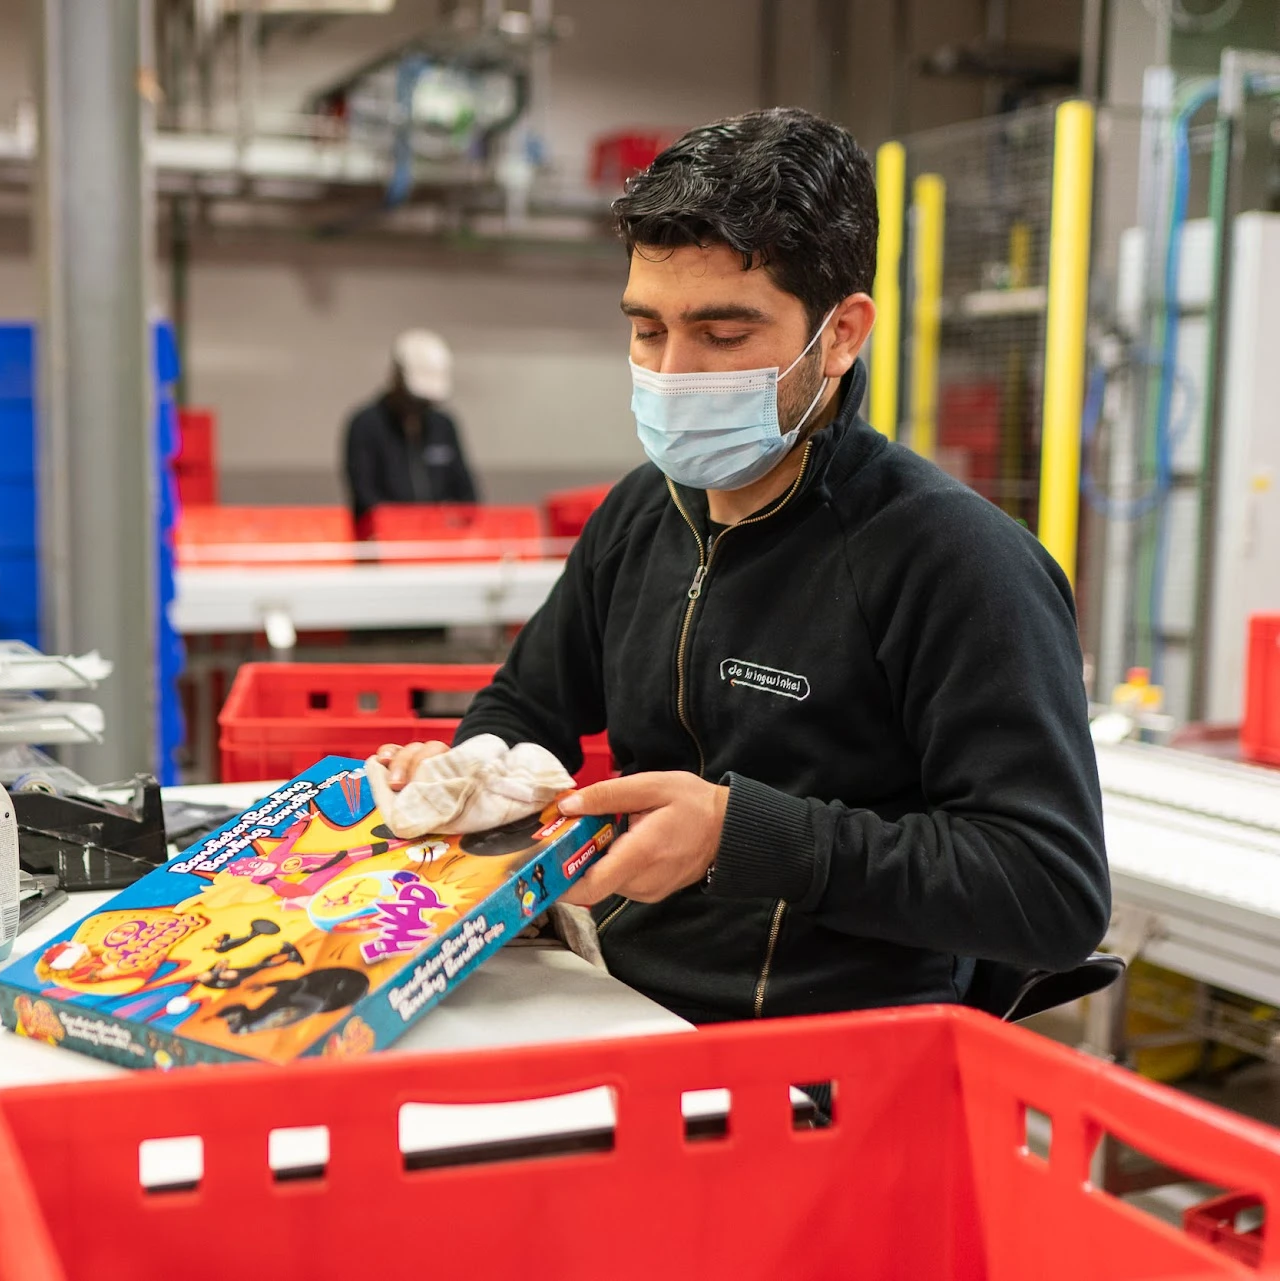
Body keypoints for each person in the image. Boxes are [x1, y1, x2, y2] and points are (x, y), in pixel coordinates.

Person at [377, 108, 1109, 1025]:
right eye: (648, 332)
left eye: (723, 338)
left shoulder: (958, 564)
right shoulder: (643, 513)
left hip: (831, 1056)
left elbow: (1051, 889)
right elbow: (528, 705)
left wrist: (742, 835)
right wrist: (479, 770)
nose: (674, 373)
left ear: (841, 335)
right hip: (617, 994)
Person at [342, 329, 478, 524]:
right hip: (386, 544)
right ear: (396, 379)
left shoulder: (443, 427)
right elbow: (366, 497)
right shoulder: (366, 425)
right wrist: (408, 524)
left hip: (443, 542)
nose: (420, 407)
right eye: (415, 399)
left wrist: (448, 521)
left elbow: (467, 495)